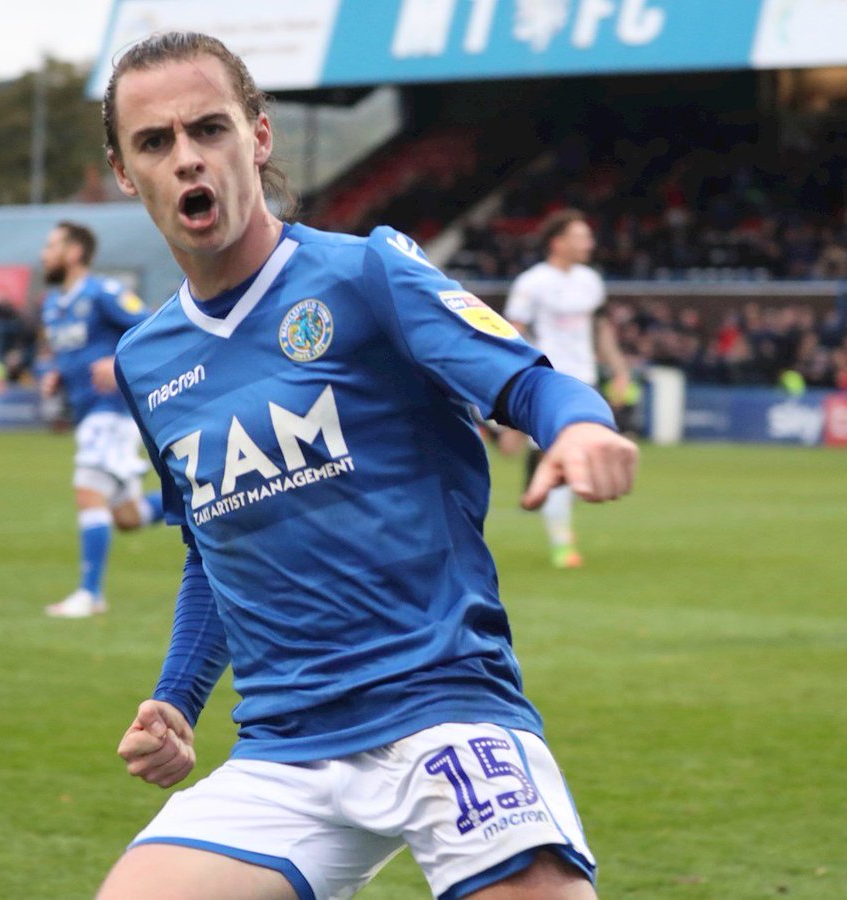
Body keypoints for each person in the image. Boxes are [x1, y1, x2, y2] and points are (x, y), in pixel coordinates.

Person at [97, 32, 638, 900]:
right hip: (284, 748)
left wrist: (577, 429)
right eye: (156, 143)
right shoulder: (148, 359)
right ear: (126, 173)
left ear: (258, 137)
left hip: (440, 707)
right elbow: (213, 544)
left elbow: (525, 379)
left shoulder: (365, 273)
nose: (189, 158)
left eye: (211, 129)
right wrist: (175, 699)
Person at [38, 221, 165, 618]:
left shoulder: (103, 293)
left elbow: (154, 330)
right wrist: (55, 374)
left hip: (113, 413)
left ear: (75, 253)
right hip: (87, 415)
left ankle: (90, 594)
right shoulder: (52, 304)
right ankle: (196, 499)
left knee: (87, 491)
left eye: (52, 245)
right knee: (126, 517)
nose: (45, 254)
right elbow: (66, 355)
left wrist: (119, 363)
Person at [503, 210, 631, 569]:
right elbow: (513, 332)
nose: (589, 243)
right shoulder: (532, 283)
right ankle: (563, 543)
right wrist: (520, 378)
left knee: (578, 461)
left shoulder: (591, 281)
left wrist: (619, 370)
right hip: (549, 382)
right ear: (557, 241)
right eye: (581, 236)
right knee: (565, 460)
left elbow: (601, 330)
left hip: (585, 382)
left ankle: (509, 443)